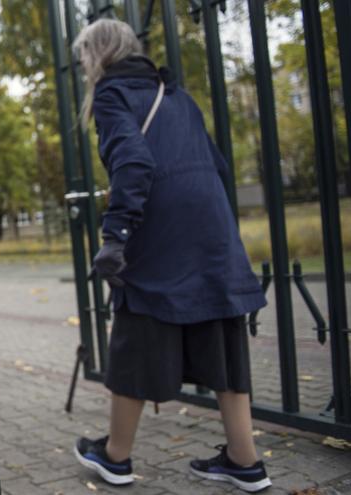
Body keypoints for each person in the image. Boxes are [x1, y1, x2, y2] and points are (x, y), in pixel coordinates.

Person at [71, 19, 271, 493]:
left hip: (160, 230)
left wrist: (115, 233)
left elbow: (135, 161)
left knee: (138, 330)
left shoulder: (111, 96)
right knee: (221, 337)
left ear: (97, 56)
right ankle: (245, 460)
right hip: (210, 228)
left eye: (83, 58)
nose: (82, 67)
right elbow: (217, 166)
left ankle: (116, 457)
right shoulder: (177, 96)